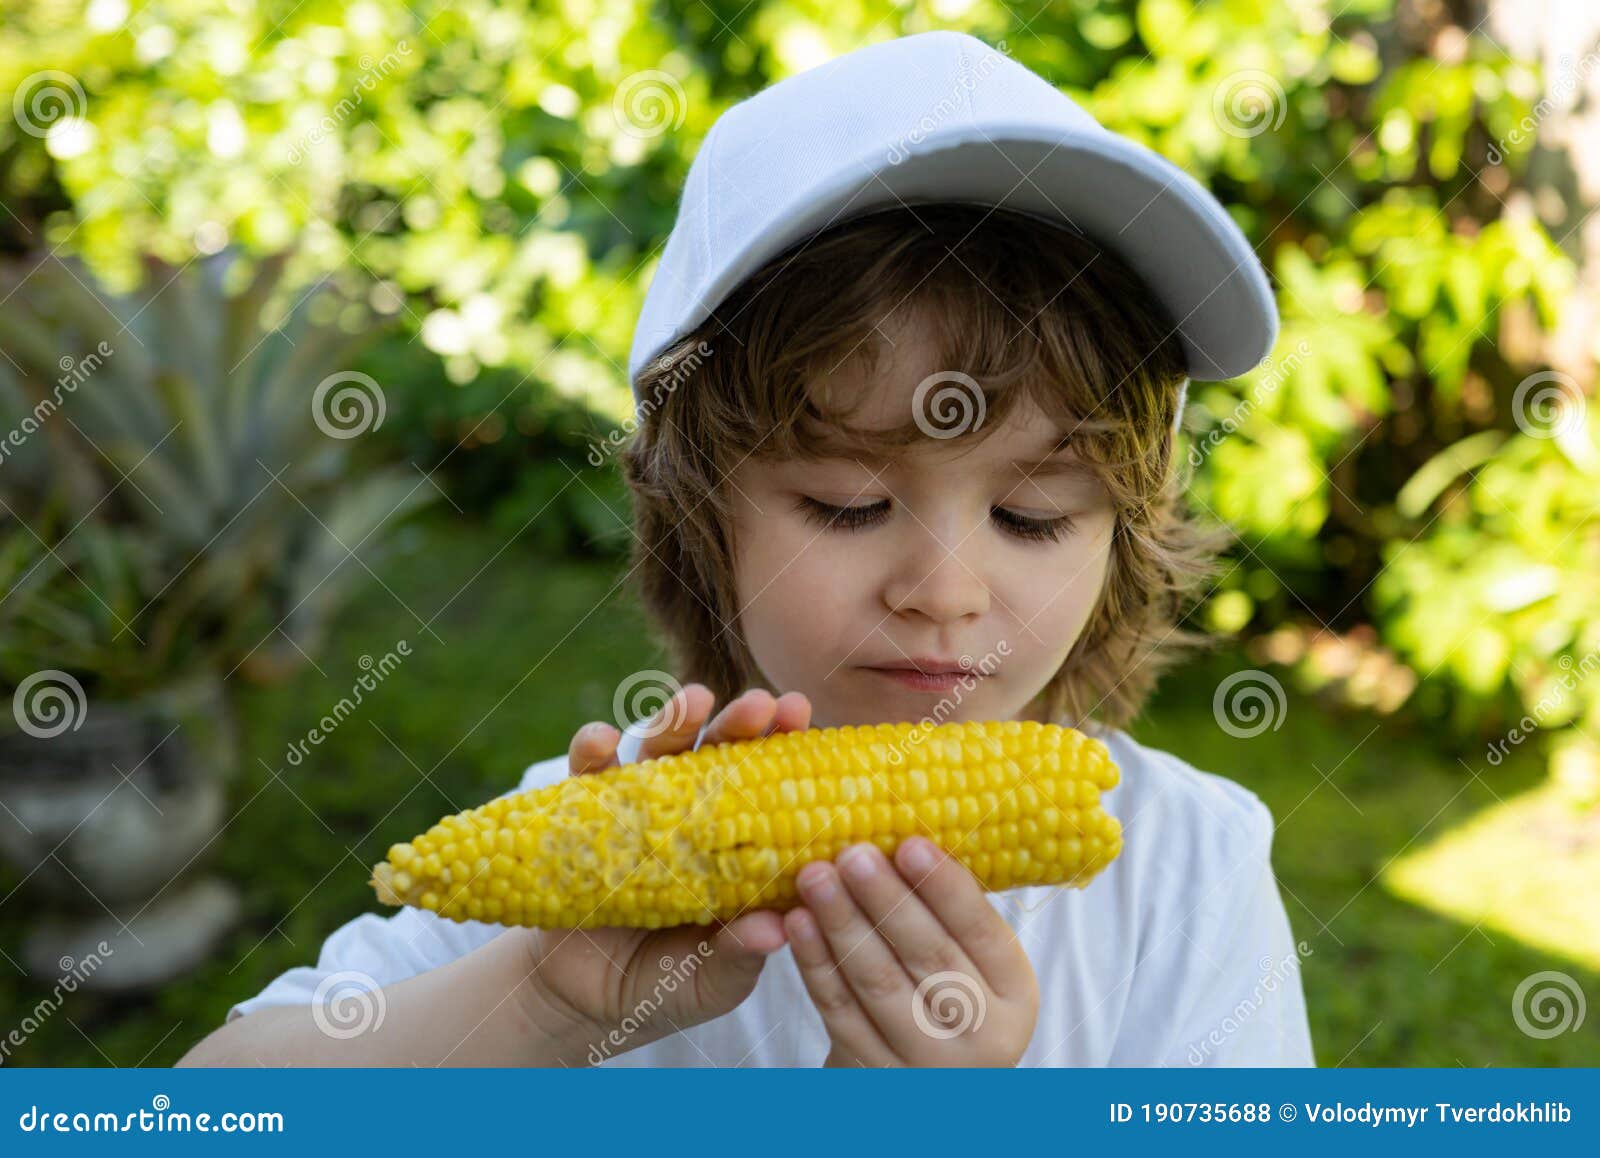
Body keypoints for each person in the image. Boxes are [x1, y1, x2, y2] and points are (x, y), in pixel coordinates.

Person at [180, 29, 1313, 1068]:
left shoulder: (1184, 876)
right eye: (844, 504)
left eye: (1032, 518)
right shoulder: (589, 861)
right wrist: (541, 1002)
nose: (944, 592)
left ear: (1122, 539)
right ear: (697, 517)